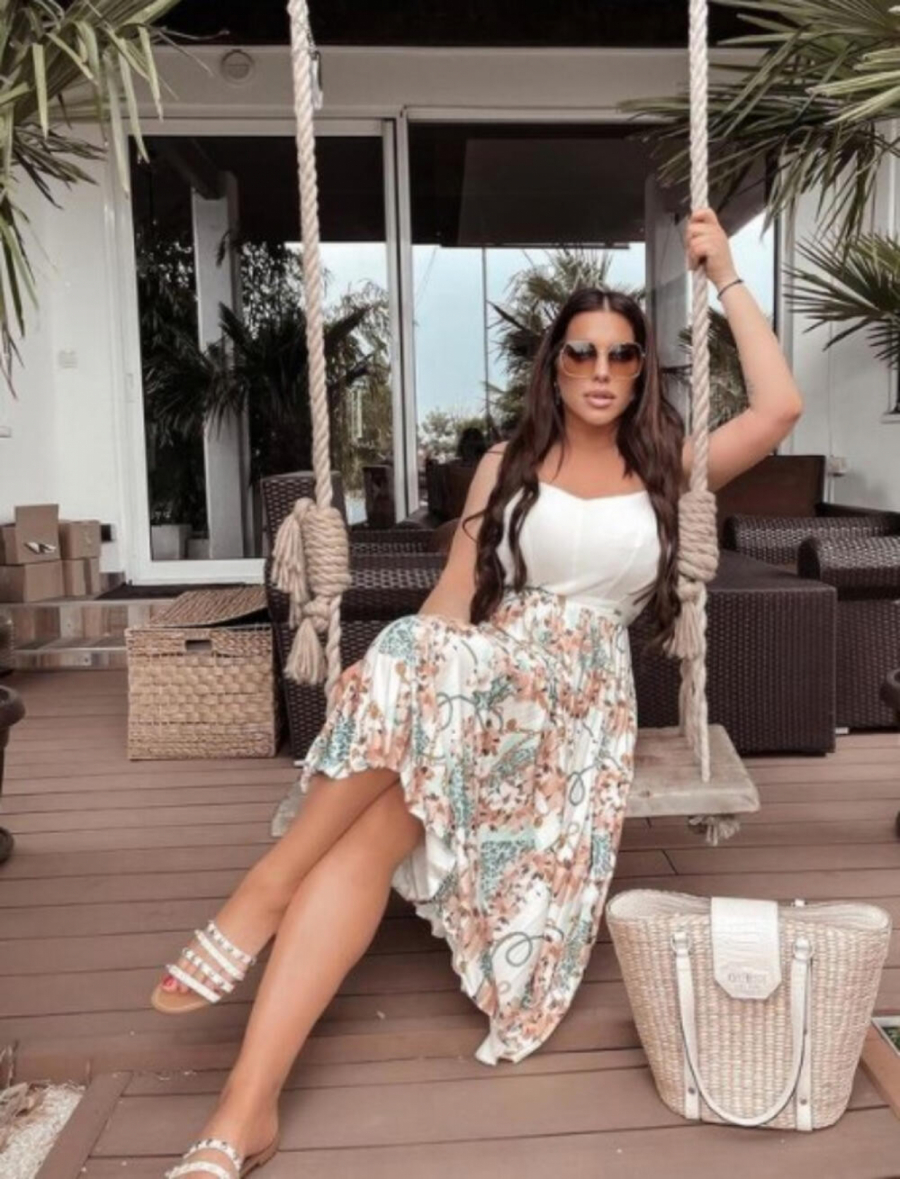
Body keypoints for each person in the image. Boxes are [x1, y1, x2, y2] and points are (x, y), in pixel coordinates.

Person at [153, 208, 803, 1178]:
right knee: (376, 802)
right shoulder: (509, 465)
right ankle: (244, 1110)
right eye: (581, 352)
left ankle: (261, 893)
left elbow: (780, 407)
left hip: (574, 710)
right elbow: (456, 599)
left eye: (621, 355)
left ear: (639, 372)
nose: (600, 370)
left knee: (403, 700)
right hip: (480, 681)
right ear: (554, 367)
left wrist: (728, 278)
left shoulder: (668, 469)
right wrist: (396, 677)